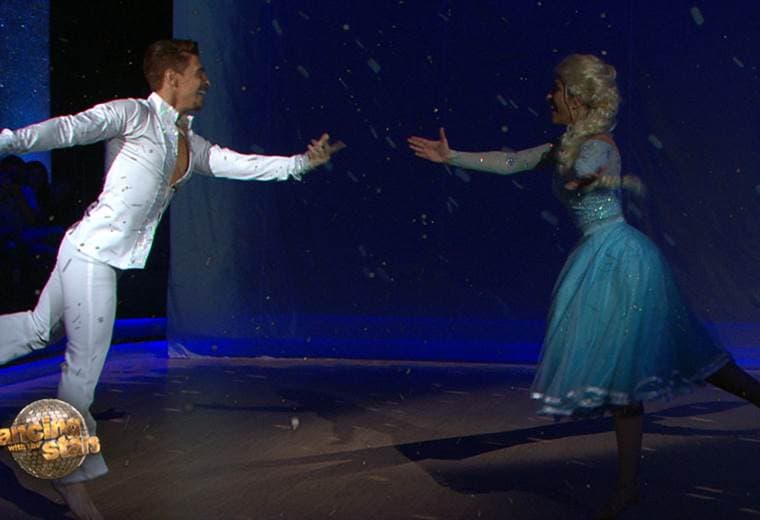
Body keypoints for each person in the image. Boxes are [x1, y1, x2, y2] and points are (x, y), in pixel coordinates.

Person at [0, 39, 342, 520]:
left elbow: (235, 163)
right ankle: (69, 478)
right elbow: (70, 128)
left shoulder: (186, 140)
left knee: (40, 330)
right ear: (172, 77)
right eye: (199, 72)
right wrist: (7, 140)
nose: (207, 81)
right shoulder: (133, 115)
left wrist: (300, 164)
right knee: (83, 368)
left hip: (90, 253)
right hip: (91, 255)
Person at [408, 53, 760, 519]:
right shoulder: (565, 144)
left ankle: (636, 481)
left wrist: (589, 177)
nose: (549, 96)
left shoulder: (598, 145)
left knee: (672, 356)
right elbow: (512, 160)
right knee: (632, 377)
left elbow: (595, 164)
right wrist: (452, 156)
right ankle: (629, 485)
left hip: (621, 260)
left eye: (556, 89)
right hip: (600, 255)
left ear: (576, 98)